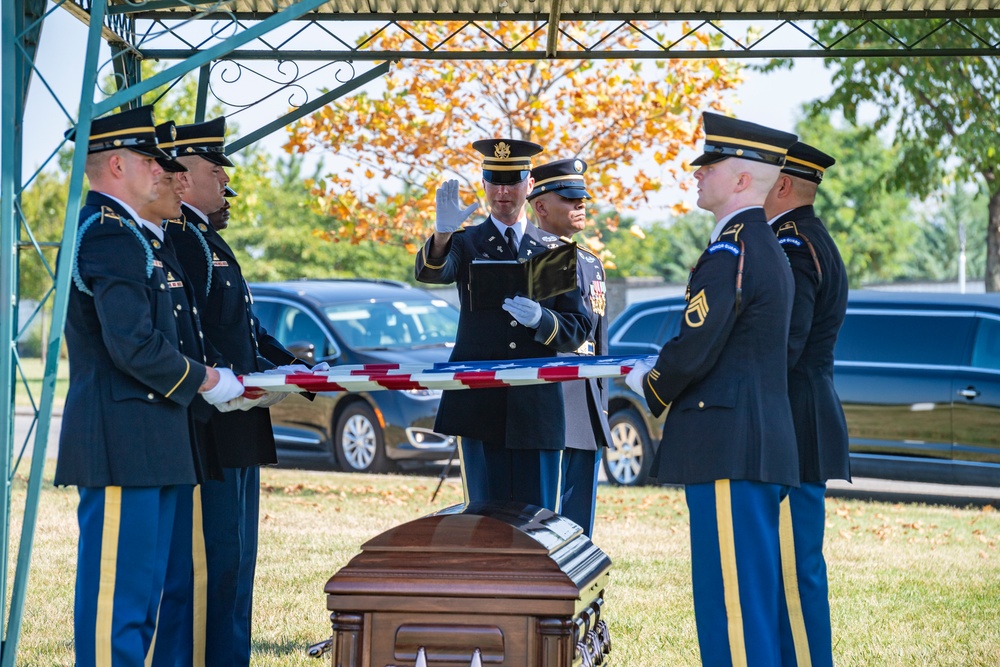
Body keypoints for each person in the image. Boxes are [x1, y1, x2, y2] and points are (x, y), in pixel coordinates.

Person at [55, 106, 245, 667]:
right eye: (149, 160)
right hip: (122, 443)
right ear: (117, 164)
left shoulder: (137, 236)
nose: (164, 172)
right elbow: (132, 345)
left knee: (152, 602)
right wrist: (208, 379)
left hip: (153, 439)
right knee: (120, 602)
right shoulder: (109, 236)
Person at [625, 112, 800, 666]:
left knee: (733, 607)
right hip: (752, 440)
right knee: (753, 598)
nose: (697, 174)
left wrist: (649, 380)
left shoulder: (734, 250)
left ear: (743, 180)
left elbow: (698, 344)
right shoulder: (762, 245)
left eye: (711, 166)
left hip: (728, 443)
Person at [164, 117, 305, 666]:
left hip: (238, 420)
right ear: (182, 178)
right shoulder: (184, 241)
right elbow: (193, 337)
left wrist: (295, 368)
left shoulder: (208, 242)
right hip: (212, 425)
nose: (226, 180)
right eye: (215, 169)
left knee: (237, 563)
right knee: (214, 562)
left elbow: (246, 330)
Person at [415, 139, 590, 511]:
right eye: (494, 181)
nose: (502, 191)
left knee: (538, 520)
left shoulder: (553, 249)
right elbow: (433, 274)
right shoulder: (467, 242)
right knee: (483, 520)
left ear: (529, 186)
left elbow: (577, 327)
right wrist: (443, 234)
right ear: (483, 184)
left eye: (512, 181)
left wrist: (544, 321)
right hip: (479, 405)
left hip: (536, 407)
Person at [763, 141, 850, 667]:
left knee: (796, 573)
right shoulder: (806, 237)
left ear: (784, 184)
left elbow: (786, 345)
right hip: (803, 415)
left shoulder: (794, 244)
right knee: (793, 568)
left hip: (796, 420)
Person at [526, 158, 611, 537]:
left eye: (582, 199)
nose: (580, 205)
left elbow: (599, 340)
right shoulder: (535, 256)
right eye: (569, 199)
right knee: (541, 519)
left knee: (580, 521)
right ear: (541, 205)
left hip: (587, 400)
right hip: (552, 397)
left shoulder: (590, 262)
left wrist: (602, 401)